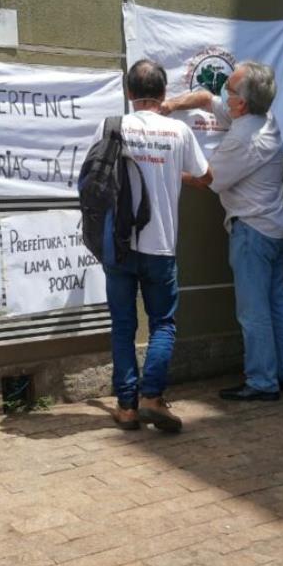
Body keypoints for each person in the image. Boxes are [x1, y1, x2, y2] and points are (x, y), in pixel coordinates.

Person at [161, 61, 283, 402]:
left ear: (241, 103)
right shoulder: (263, 118)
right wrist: (170, 105)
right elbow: (204, 98)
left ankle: (262, 382)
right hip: (278, 229)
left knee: (253, 312)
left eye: (228, 91)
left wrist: (166, 168)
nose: (223, 95)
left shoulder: (243, 138)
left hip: (253, 232)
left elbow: (206, 180)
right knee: (278, 303)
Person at [95, 59, 210, 433]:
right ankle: (152, 397)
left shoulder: (112, 126)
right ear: (163, 93)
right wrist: (172, 172)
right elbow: (206, 177)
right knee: (162, 323)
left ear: (129, 93)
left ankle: (127, 407)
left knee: (123, 325)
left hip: (119, 245)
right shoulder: (178, 131)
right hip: (160, 245)